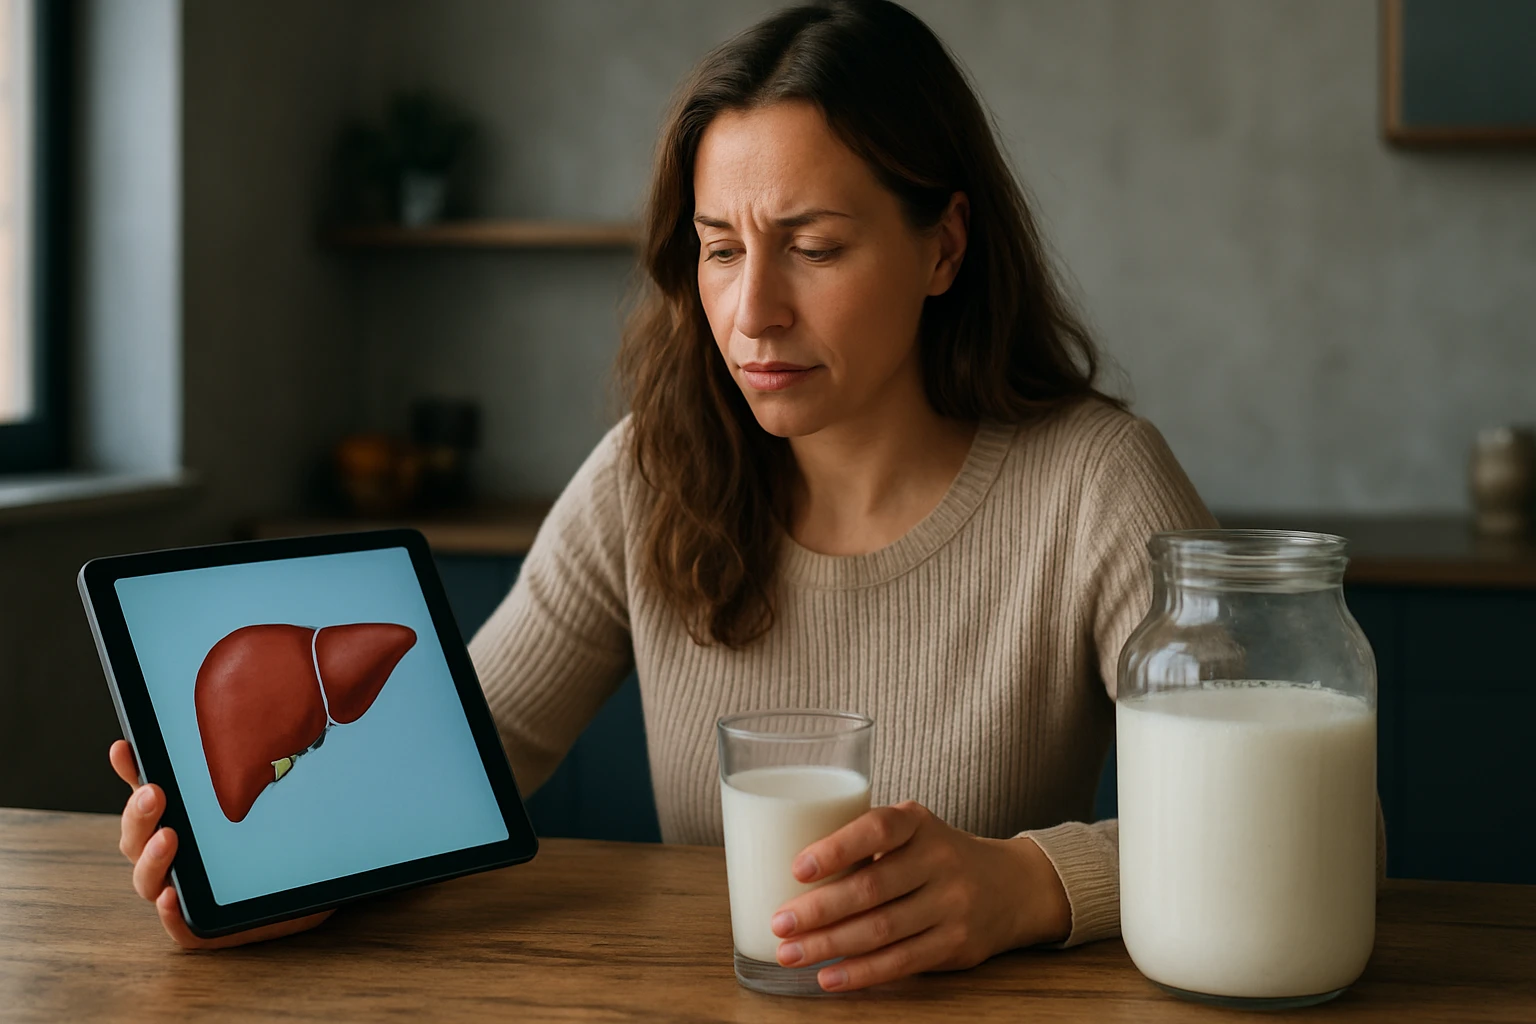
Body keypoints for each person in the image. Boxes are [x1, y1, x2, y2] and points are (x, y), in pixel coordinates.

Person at [110, 0, 1214, 990]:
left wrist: (1031, 883)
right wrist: (283, 874)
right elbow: (456, 773)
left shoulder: (1095, 482)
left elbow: (1322, 829)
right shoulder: (652, 473)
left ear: (945, 248)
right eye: (719, 249)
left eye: (814, 247)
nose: (753, 312)